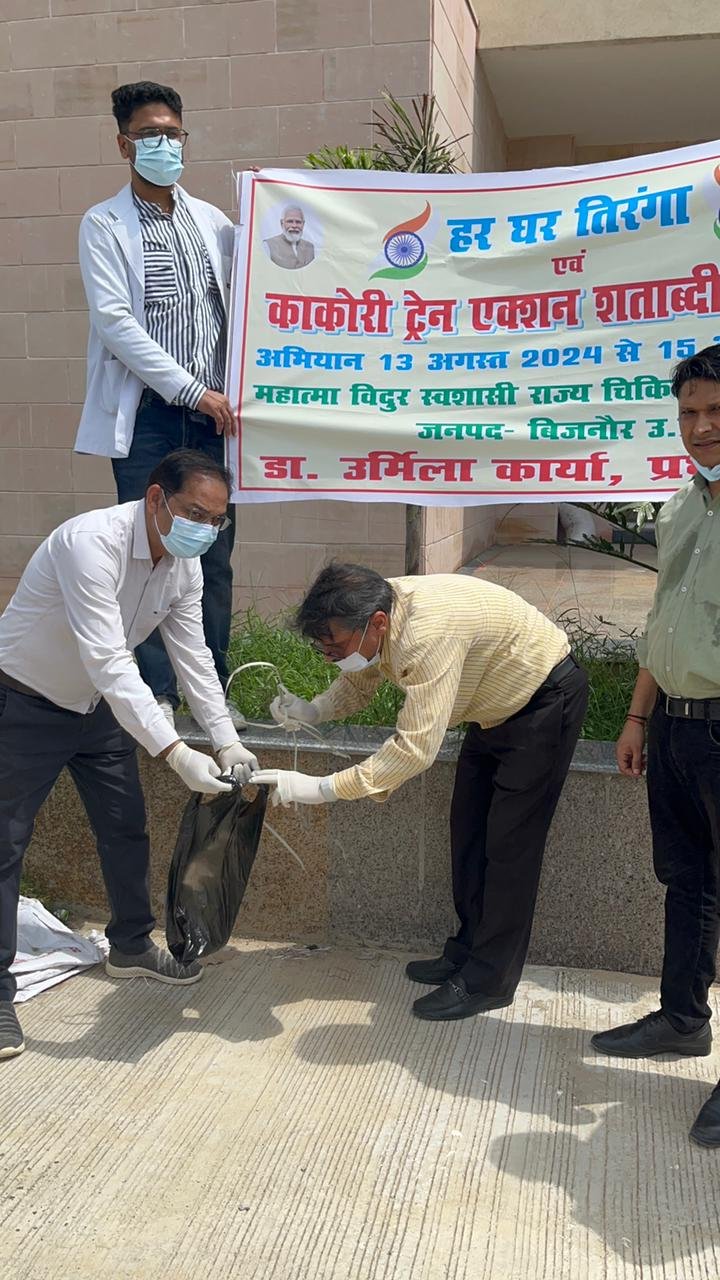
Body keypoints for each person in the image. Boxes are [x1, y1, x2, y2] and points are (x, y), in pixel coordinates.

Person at [0, 450, 260, 1061]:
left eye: (217, 520)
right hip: (25, 705)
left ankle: (132, 946)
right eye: (195, 512)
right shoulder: (89, 543)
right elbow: (110, 658)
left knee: (125, 827)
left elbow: (192, 655)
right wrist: (173, 749)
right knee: (4, 844)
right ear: (154, 498)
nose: (205, 528)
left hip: (99, 710)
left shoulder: (184, 565)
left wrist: (224, 739)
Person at [252, 564, 588, 1022]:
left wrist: (322, 788)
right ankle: (467, 951)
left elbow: (414, 749)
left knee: (510, 847)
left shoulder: (427, 634)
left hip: (543, 699)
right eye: (323, 648)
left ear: (377, 623)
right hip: (493, 708)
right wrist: (315, 709)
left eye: (335, 646)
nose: (330, 657)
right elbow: (360, 676)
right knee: (468, 833)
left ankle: (488, 981)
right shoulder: (376, 614)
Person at [75, 80, 240, 733]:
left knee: (214, 557)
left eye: (172, 133)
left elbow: (252, 298)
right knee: (149, 553)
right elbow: (117, 324)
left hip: (214, 422)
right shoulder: (103, 224)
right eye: (149, 135)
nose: (163, 144)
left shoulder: (214, 224)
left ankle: (214, 690)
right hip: (150, 416)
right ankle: (155, 693)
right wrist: (192, 389)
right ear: (124, 144)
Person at [592, 344, 720, 1149]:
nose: (701, 429)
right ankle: (682, 1017)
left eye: (715, 414)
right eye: (689, 415)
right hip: (674, 726)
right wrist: (639, 717)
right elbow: (664, 617)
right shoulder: (682, 506)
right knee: (687, 880)